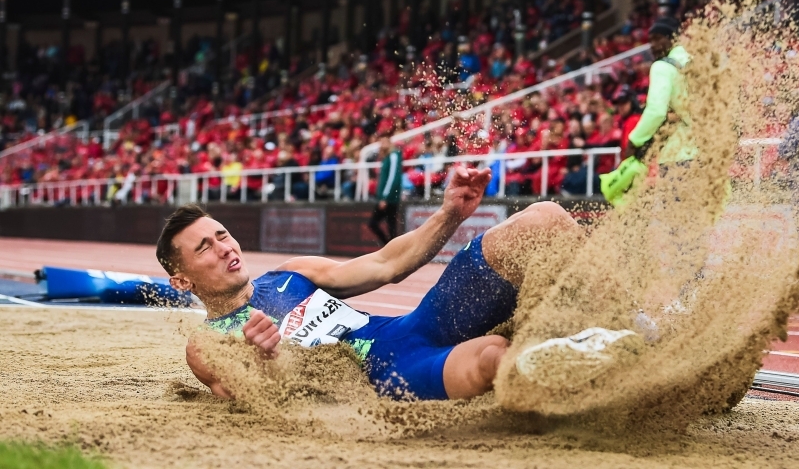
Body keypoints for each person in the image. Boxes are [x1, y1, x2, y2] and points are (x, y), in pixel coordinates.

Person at [158, 166, 627, 400]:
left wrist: (450, 214)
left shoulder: (289, 274)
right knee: (492, 357)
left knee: (543, 219)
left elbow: (386, 264)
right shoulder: (207, 344)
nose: (223, 247)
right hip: (388, 378)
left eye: (221, 234)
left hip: (414, 326)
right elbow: (256, 400)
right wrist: (270, 361)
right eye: (204, 248)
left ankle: (638, 329)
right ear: (181, 280)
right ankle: (587, 369)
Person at [600, 16, 693, 205]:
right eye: (650, 40)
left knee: (677, 227)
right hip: (706, 155)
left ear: (673, 38)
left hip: (678, 156)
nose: (653, 45)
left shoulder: (663, 66)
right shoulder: (697, 63)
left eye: (658, 38)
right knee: (697, 226)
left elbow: (656, 111)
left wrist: (634, 141)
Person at [369, 136, 402, 246]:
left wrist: (385, 197)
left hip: (390, 198)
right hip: (386, 197)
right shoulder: (387, 157)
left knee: (387, 225)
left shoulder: (393, 155)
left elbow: (393, 177)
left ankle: (390, 248)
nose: (382, 145)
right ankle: (390, 247)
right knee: (389, 226)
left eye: (384, 142)